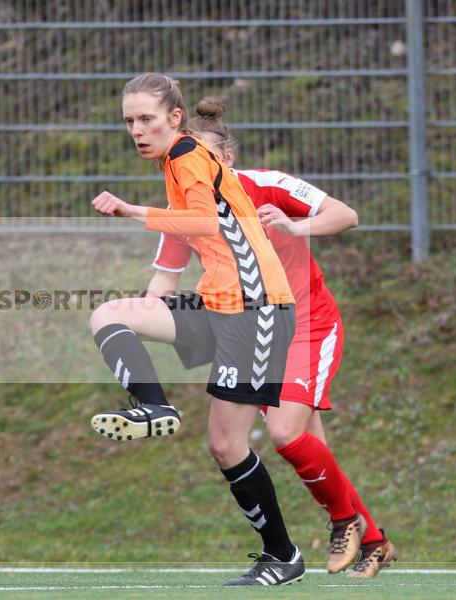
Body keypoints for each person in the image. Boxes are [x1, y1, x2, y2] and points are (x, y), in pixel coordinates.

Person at [148, 96, 396, 578]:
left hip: (307, 325)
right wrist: (136, 322)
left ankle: (347, 524)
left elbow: (346, 215)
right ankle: (373, 540)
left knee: (285, 433)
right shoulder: (184, 210)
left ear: (227, 159)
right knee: (308, 448)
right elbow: (163, 284)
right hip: (252, 332)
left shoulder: (267, 186)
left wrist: (295, 225)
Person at [88, 73, 305, 586]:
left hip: (257, 310)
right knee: (110, 315)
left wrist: (131, 210)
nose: (137, 130)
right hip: (218, 302)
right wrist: (149, 321)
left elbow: (204, 223)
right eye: (129, 121)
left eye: (146, 119)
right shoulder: (174, 160)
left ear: (175, 118)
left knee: (227, 446)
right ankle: (154, 405)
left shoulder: (187, 155)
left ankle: (283, 557)